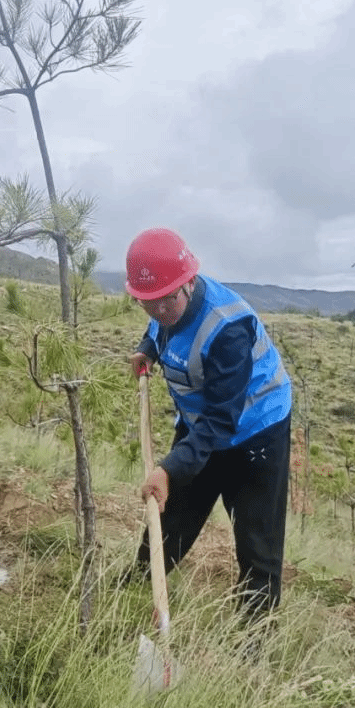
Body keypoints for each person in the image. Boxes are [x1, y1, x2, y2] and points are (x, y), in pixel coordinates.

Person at [123, 227, 292, 621]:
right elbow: (160, 327)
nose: (159, 311)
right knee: (171, 515)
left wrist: (168, 468)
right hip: (202, 425)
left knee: (256, 538)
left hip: (255, 432)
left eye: (165, 302)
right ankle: (137, 591)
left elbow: (221, 421)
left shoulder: (227, 328)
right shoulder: (164, 302)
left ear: (189, 282)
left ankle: (254, 637)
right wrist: (147, 350)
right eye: (148, 304)